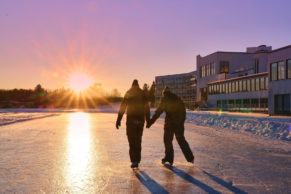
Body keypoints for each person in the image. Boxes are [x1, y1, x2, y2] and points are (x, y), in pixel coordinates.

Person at [147, 86, 194, 165]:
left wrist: (150, 122)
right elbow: (183, 111)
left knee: (167, 140)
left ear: (164, 93)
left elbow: (158, 112)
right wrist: (181, 122)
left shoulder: (165, 99)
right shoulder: (177, 99)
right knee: (181, 140)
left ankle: (169, 158)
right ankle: (190, 158)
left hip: (170, 124)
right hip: (178, 124)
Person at [116, 79, 150, 168]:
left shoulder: (129, 92)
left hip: (131, 121)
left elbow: (122, 107)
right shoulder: (142, 93)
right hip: (140, 121)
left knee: (132, 141)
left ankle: (134, 160)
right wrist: (148, 120)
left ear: (132, 85)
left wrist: (118, 119)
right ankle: (137, 161)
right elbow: (147, 107)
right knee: (138, 141)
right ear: (138, 85)